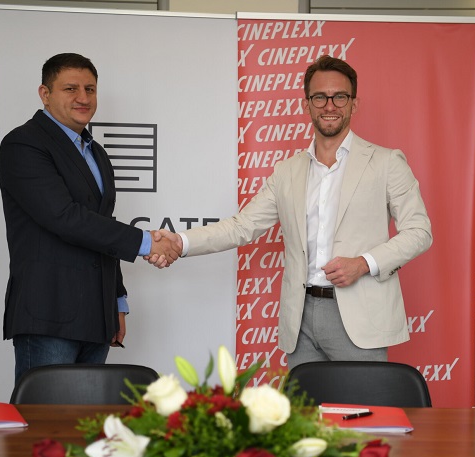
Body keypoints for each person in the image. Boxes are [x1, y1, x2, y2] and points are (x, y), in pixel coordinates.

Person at [151, 55, 432, 367]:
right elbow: (242, 226)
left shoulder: (386, 162)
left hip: (363, 319)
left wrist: (363, 263)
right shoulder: (287, 171)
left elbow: (419, 231)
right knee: (303, 402)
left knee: (363, 400)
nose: (329, 106)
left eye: (340, 96)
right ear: (306, 105)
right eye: (319, 97)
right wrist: (179, 242)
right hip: (300, 320)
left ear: (354, 104)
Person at [0, 52, 178, 385]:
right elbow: (64, 217)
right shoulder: (24, 144)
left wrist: (117, 300)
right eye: (71, 88)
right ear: (45, 94)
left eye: (90, 89)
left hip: (96, 316)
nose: (83, 97)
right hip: (49, 314)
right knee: (44, 415)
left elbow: (100, 227)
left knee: (88, 415)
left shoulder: (96, 153)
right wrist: (146, 242)